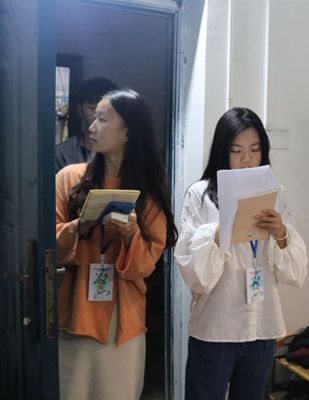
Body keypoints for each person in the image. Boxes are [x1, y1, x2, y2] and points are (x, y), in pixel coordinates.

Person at [175, 107, 308, 400]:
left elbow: (295, 271)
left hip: (262, 327)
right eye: (237, 151)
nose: (247, 159)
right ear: (223, 152)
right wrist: (221, 230)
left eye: (255, 150)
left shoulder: (276, 193)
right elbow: (194, 273)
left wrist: (281, 233)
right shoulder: (200, 195)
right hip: (216, 329)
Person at [55, 88, 177, 399]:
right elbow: (50, 247)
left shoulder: (149, 192)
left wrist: (131, 233)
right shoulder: (68, 179)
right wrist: (78, 226)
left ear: (127, 132)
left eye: (102, 119)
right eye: (94, 117)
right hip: (75, 314)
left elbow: (144, 266)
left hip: (124, 321)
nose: (92, 127)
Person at [55, 77, 118, 173]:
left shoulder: (124, 151)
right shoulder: (62, 154)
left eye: (107, 110)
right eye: (92, 108)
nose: (98, 115)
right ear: (80, 110)